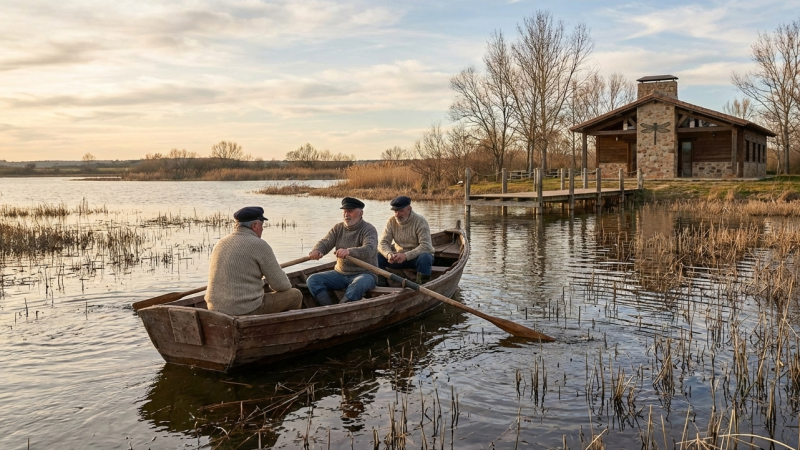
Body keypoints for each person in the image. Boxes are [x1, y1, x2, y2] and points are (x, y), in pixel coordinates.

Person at [205, 206, 303, 316]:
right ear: (255, 225)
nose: (262, 229)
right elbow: (282, 285)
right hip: (244, 310)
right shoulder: (259, 245)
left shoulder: (220, 243)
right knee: (295, 295)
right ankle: (282, 331)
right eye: (262, 225)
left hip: (214, 310)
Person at [306, 197, 378, 305]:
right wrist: (317, 250)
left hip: (365, 274)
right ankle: (328, 308)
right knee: (312, 280)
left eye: (350, 211)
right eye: (344, 211)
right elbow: (325, 242)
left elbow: (370, 249)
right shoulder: (338, 228)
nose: (346, 214)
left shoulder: (369, 229)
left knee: (358, 284)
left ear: (361, 213)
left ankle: (342, 307)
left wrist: (349, 251)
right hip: (340, 274)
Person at [378, 196, 434, 284]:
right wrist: (389, 254)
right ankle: (381, 286)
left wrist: (406, 256)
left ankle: (422, 285)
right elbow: (383, 243)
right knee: (377, 256)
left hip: (416, 258)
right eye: (395, 211)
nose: (397, 214)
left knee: (425, 257)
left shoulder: (420, 221)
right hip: (398, 257)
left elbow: (426, 246)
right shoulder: (391, 221)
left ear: (409, 208)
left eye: (401, 211)